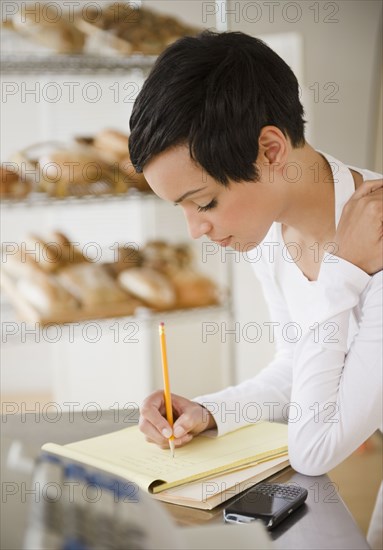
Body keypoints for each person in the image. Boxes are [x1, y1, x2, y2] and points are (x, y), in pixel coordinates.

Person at [129, 31, 382, 548]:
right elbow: (299, 364)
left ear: (270, 149)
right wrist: (214, 410)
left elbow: (315, 448)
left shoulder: (375, 239)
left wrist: (344, 273)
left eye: (203, 203)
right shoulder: (271, 234)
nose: (194, 230)